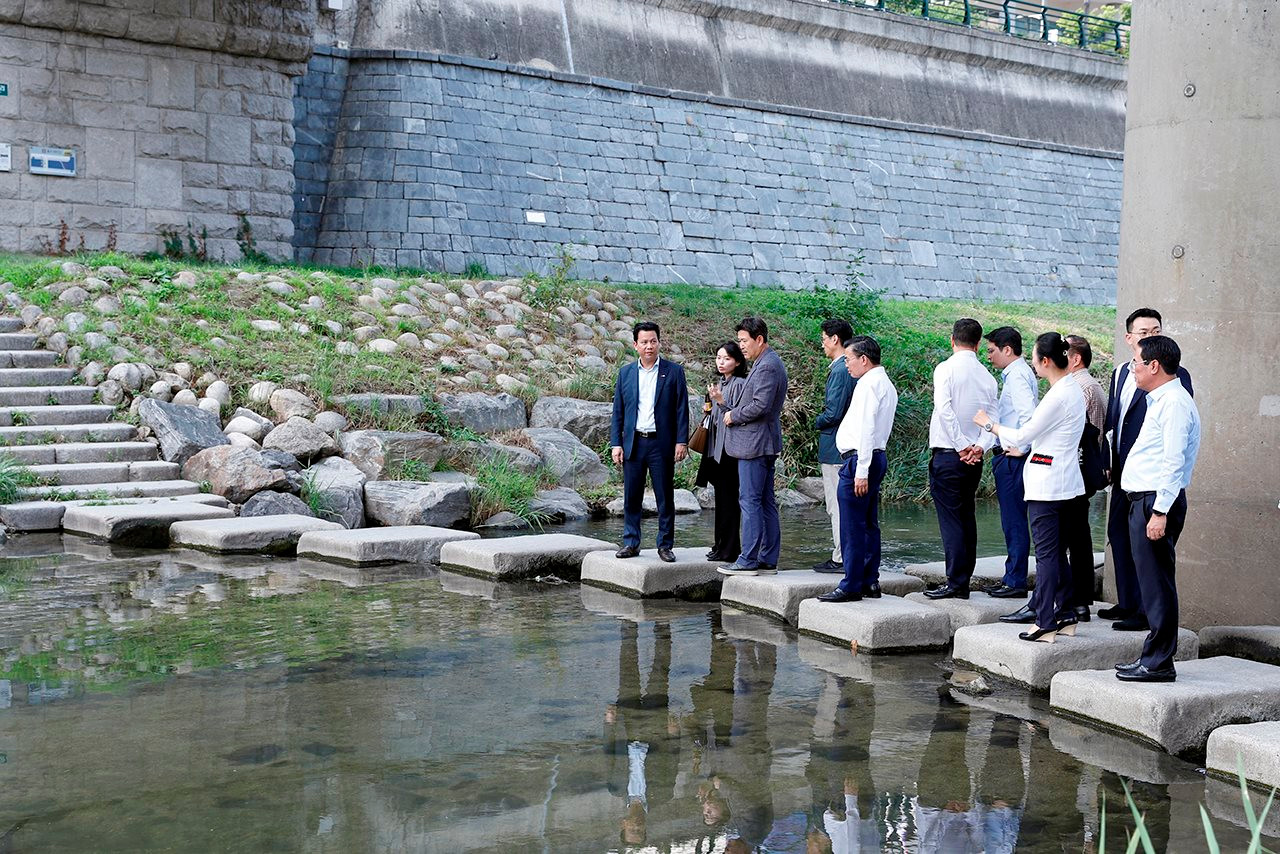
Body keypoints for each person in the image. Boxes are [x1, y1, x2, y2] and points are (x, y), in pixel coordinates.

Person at [974, 332, 1087, 643]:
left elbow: (1024, 435)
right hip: (1063, 482)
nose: (1034, 367)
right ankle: (1064, 613)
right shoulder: (1070, 389)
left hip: (1048, 484)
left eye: (1035, 360)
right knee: (1057, 554)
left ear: (1046, 361)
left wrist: (989, 424)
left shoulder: (1058, 395)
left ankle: (1046, 620)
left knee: (1048, 555)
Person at [1114, 335, 1200, 682]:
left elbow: (1173, 461)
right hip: (1147, 500)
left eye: (1137, 362)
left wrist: (1160, 511)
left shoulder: (1175, 402)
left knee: (1157, 583)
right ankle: (1153, 656)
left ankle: (1160, 661)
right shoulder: (1161, 399)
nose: (1132, 368)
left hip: (1155, 501)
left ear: (1154, 365)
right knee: (1152, 582)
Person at [1101, 308, 1194, 631]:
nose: (1150, 336)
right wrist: (1109, 462)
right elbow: (1114, 422)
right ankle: (1129, 603)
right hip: (1127, 476)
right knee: (1121, 538)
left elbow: (1173, 454)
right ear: (1129, 338)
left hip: (1153, 487)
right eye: (1143, 332)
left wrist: (1161, 509)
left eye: (1156, 330)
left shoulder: (1174, 387)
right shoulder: (1121, 373)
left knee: (1156, 574)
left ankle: (1153, 644)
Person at [817, 335, 897, 603]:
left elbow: (867, 429)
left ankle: (850, 585)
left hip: (861, 459)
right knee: (868, 524)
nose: (846, 364)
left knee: (852, 525)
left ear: (864, 359)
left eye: (849, 359)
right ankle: (869, 581)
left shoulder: (868, 385)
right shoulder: (885, 383)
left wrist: (861, 470)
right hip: (874, 456)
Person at [923, 318, 999, 600]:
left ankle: (956, 583)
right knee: (967, 515)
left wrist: (960, 446)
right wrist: (979, 447)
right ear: (979, 344)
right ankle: (963, 578)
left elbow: (944, 410)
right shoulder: (987, 377)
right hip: (974, 458)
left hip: (949, 454)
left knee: (952, 519)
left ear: (952, 340)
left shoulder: (945, 369)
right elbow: (993, 420)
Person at [609, 321, 689, 563]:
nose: (649, 346)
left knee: (665, 497)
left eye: (653, 341)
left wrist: (681, 441)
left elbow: (681, 409)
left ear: (659, 343)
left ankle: (665, 545)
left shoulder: (673, 372)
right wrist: (616, 443)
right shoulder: (626, 373)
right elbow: (618, 412)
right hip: (634, 442)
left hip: (660, 443)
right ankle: (631, 543)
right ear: (635, 345)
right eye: (644, 342)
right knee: (631, 496)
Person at [715, 317, 789, 577]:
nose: (741, 347)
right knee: (764, 502)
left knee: (750, 501)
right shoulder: (766, 362)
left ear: (759, 339)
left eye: (744, 341)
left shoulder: (768, 366)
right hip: (762, 444)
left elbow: (761, 405)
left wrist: (733, 415)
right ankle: (767, 558)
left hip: (755, 445)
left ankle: (748, 559)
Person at [983, 326, 1039, 599]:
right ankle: (1011, 576)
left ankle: (1015, 581)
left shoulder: (1016, 376)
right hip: (1011, 456)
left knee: (1014, 522)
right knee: (1013, 521)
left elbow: (1029, 416)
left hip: (1012, 459)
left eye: (992, 350)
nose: (988, 356)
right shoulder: (1018, 373)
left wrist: (1023, 448)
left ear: (1007, 349)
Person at [1065, 334, 1107, 618]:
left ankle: (1076, 600)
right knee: (1078, 535)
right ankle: (1079, 600)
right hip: (1084, 470)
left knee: (1074, 536)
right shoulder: (1090, 385)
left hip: (1075, 471)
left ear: (1075, 358)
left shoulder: (1081, 388)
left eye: (1062, 351)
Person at [695, 341, 748, 562]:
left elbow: (738, 415)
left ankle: (730, 549)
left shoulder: (740, 383)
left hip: (730, 450)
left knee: (729, 500)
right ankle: (719, 545)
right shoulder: (721, 382)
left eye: (726, 358)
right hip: (716, 448)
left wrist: (720, 401)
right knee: (720, 499)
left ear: (737, 361)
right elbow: (715, 415)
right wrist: (709, 406)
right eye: (718, 358)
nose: (721, 362)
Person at [813, 319, 856, 573]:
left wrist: (815, 421)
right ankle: (843, 555)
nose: (823, 344)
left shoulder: (841, 369)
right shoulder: (846, 367)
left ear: (835, 339)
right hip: (842, 446)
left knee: (837, 506)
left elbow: (833, 412)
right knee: (841, 505)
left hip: (835, 447)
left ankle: (840, 557)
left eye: (824, 339)